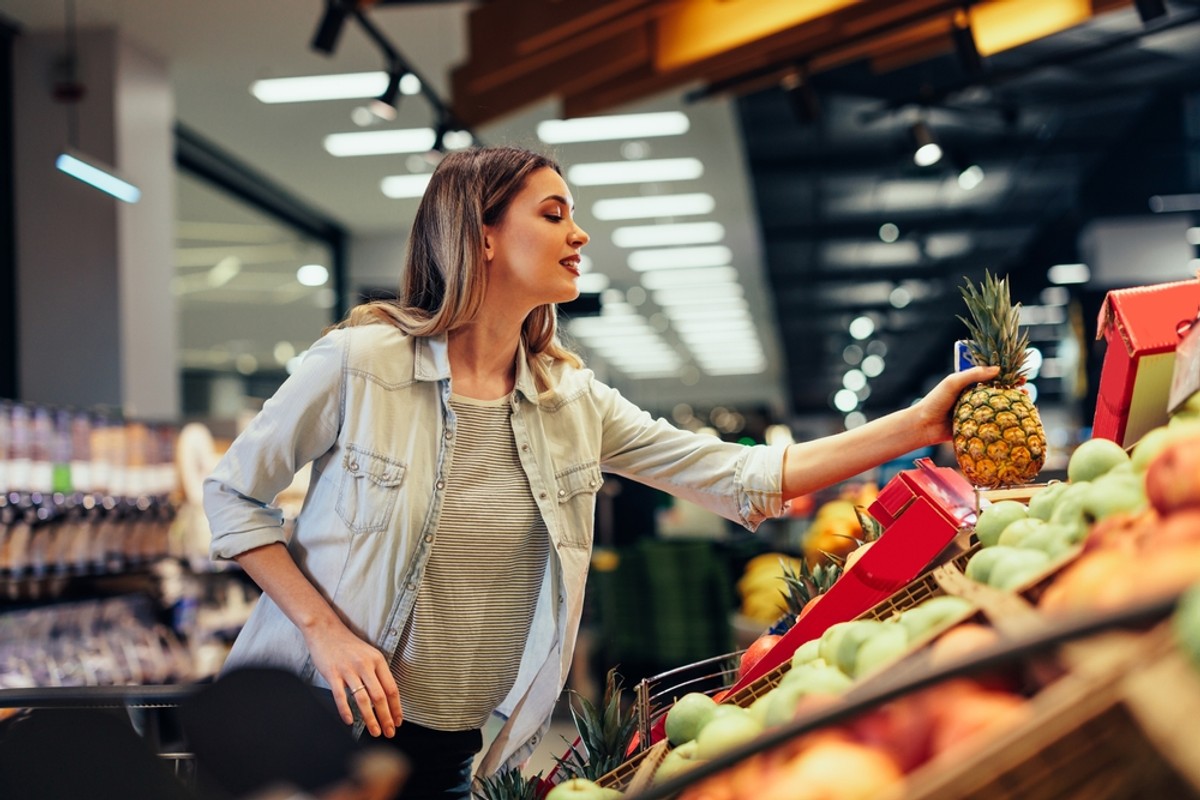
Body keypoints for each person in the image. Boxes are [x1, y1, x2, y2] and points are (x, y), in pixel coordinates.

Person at [203, 146, 996, 799]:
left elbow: (746, 476)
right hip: (316, 728)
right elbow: (232, 495)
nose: (579, 235)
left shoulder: (568, 398)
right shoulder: (361, 362)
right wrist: (326, 632)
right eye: (554, 214)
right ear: (479, 235)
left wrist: (920, 425)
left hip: (454, 752)